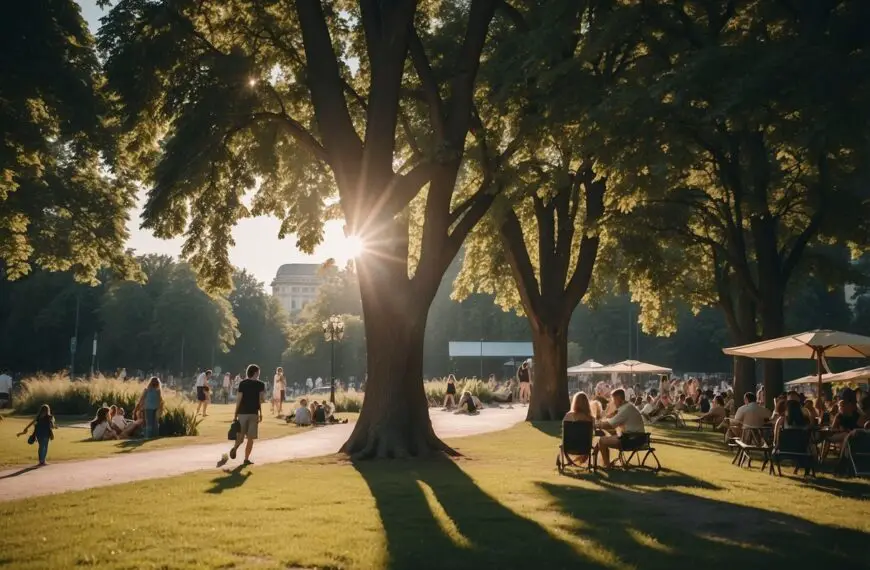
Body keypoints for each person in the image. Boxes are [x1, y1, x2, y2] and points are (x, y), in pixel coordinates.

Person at [221, 364, 265, 467]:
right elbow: (261, 400)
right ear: (255, 373)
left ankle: (235, 448)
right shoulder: (260, 384)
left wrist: (235, 414)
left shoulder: (242, 383)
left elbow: (239, 399)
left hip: (242, 413)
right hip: (254, 413)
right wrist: (261, 413)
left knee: (240, 436)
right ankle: (246, 459)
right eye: (258, 372)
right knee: (251, 438)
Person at [595, 389, 646, 468]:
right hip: (638, 438)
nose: (614, 402)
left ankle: (606, 465)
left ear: (619, 399)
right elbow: (613, 424)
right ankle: (606, 463)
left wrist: (597, 425)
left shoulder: (625, 409)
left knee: (602, 440)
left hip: (631, 440)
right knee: (608, 436)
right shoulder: (628, 407)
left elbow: (609, 425)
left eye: (614, 400)